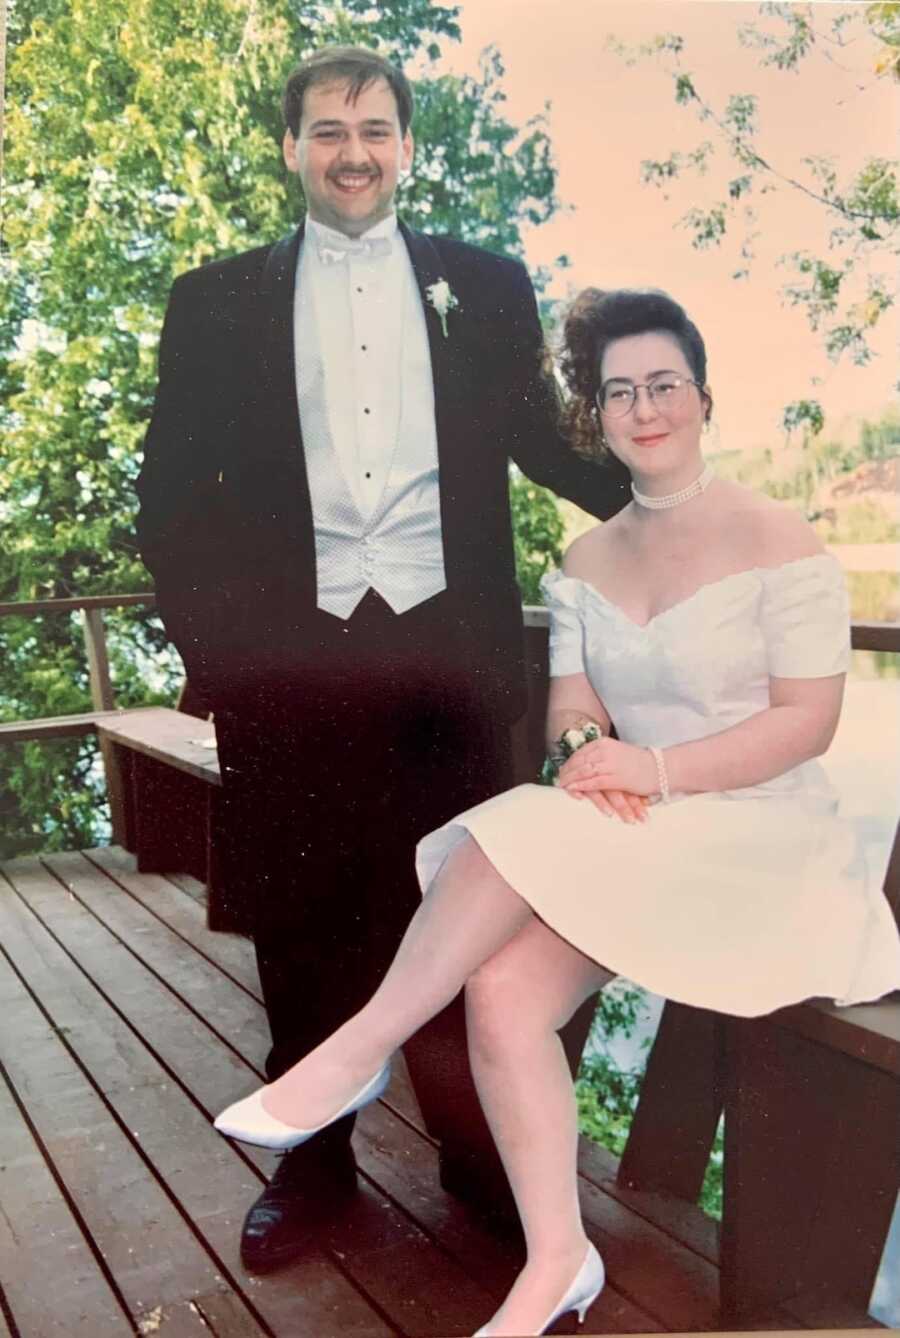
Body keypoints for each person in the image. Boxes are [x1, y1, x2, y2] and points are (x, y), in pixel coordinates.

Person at [215, 287, 900, 1336]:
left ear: (703, 396)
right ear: (601, 417)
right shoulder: (587, 559)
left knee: (513, 824)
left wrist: (652, 769)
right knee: (500, 986)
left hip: (766, 835)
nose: (643, 407)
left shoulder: (779, 536)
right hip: (650, 825)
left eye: (662, 383)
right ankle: (557, 1257)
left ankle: (358, 1048)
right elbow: (573, 713)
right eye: (619, 391)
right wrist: (588, 756)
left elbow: (807, 723)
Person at [135, 46, 629, 1272]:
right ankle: (314, 1173)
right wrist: (230, 653)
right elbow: (167, 502)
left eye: (374, 129)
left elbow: (543, 445)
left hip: (445, 667)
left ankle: (478, 1161)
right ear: (292, 147)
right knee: (302, 927)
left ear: (409, 145)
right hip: (289, 674)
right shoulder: (216, 299)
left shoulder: (486, 286)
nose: (352, 151)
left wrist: (668, 487)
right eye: (326, 130)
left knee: (461, 919)